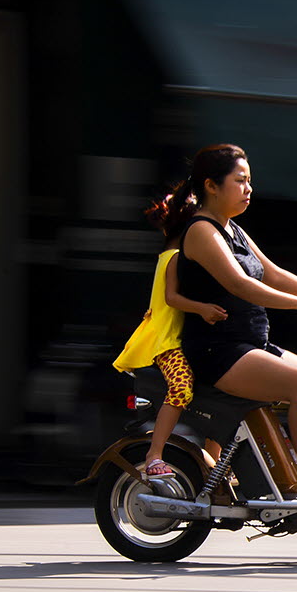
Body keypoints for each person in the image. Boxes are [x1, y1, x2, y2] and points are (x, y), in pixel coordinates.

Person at [164, 143, 297, 515]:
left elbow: (271, 273)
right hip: (218, 351)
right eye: (240, 180)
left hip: (251, 343)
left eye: (249, 181)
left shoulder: (234, 231)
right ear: (211, 186)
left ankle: (296, 483)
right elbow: (240, 284)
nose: (248, 188)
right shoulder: (201, 231)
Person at [112, 201, 229, 481]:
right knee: (180, 388)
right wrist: (202, 308)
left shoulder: (170, 255)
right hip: (168, 342)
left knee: (220, 397)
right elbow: (171, 298)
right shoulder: (176, 257)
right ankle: (155, 454)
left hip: (176, 339)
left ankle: (216, 466)